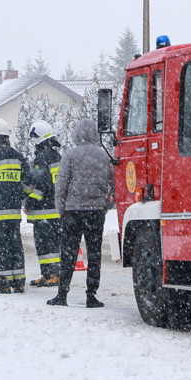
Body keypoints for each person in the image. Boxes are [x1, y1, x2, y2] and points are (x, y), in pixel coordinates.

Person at [47, 119, 113, 308]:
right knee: (94, 253)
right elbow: (112, 184)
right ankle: (91, 295)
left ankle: (62, 293)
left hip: (73, 211)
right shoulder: (103, 155)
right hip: (95, 211)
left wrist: (61, 209)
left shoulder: (70, 155)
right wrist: (104, 205)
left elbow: (61, 185)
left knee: (68, 252)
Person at [0, 117, 41, 294]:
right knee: (14, 246)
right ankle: (18, 281)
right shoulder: (17, 157)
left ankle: (3, 282)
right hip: (13, 213)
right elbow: (30, 182)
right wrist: (18, 195)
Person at [26, 120, 64, 287]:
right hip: (58, 209)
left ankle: (49, 274)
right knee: (56, 244)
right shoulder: (58, 157)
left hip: (44, 211)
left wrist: (30, 201)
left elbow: (40, 184)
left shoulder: (41, 159)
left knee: (45, 245)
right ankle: (55, 273)